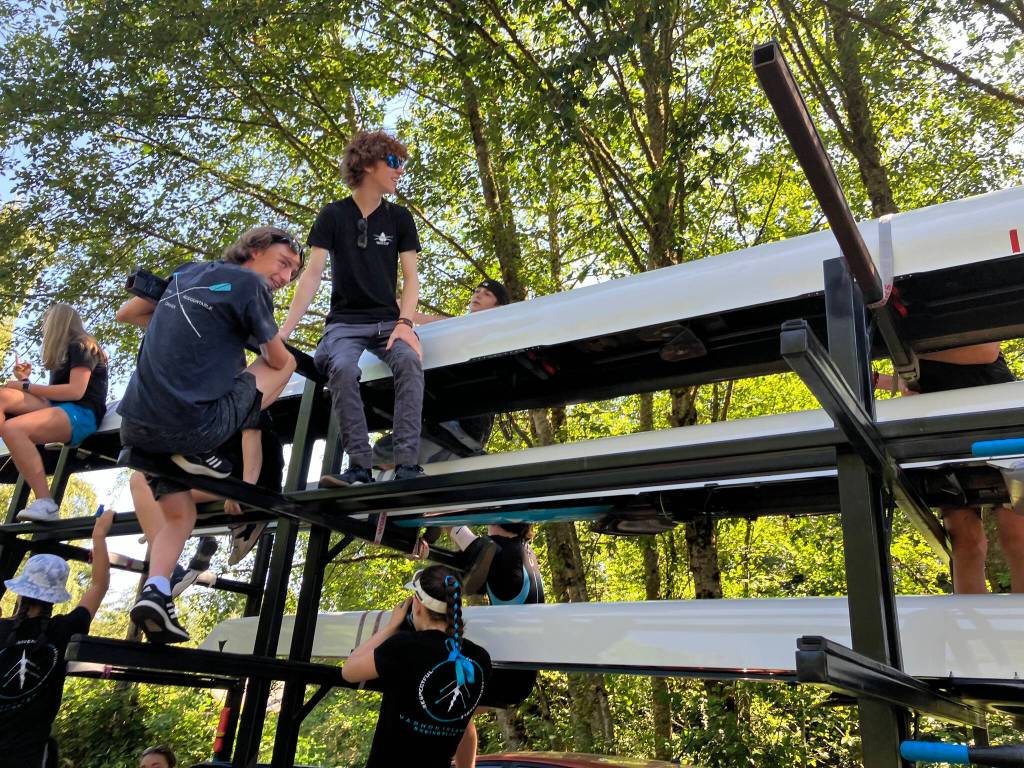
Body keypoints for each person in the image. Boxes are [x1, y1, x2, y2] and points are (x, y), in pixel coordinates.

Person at [115, 226, 300, 643]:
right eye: (283, 263)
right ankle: (211, 444)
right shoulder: (250, 285)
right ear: (253, 250)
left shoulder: (185, 273)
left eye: (293, 272)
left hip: (137, 425)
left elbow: (127, 312)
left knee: (181, 515)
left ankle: (156, 590)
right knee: (285, 365)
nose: (286, 278)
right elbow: (274, 356)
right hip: (192, 426)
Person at [280, 130, 424, 487]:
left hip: (390, 322)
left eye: (402, 163)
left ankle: (407, 463)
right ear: (368, 162)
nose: (399, 170)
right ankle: (359, 466)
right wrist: (283, 332)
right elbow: (311, 275)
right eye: (393, 161)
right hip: (345, 324)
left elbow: (411, 279)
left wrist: (405, 322)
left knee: (409, 361)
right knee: (342, 367)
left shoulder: (400, 219)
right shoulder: (333, 215)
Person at [876, 342, 1024, 593]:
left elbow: (985, 352)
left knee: (1017, 536)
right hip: (943, 429)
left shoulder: (931, 322)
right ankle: (973, 630)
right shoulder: (897, 328)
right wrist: (886, 379)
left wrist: (907, 357)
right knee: (965, 543)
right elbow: (915, 383)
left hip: (997, 414)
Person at [342, 565, 491, 768]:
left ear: (417, 605)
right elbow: (465, 726)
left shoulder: (405, 646)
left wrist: (391, 626)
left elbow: (349, 670)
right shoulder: (479, 660)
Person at [0, 508, 114, 768]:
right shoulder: (64, 630)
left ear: (20, 592)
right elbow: (99, 585)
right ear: (56, 595)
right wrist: (99, 534)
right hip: (28, 756)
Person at [373, 278, 511, 470]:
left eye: (487, 294)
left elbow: (458, 325)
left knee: (391, 450)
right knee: (384, 449)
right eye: (477, 291)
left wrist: (411, 315)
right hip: (445, 420)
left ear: (498, 307)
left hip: (467, 422)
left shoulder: (495, 329)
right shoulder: (457, 333)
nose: (478, 294)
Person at [0, 304, 109, 523]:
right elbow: (50, 400)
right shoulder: (64, 354)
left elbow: (75, 392)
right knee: (2, 395)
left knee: (13, 428)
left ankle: (46, 503)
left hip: (82, 413)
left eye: (45, 323)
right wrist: (24, 381)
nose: (43, 329)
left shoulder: (83, 345)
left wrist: (25, 388)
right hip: (60, 409)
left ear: (57, 323)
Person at [448, 523, 544, 768]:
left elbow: (453, 526)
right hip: (523, 671)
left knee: (445, 707)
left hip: (509, 674)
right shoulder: (524, 551)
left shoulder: (498, 551)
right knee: (456, 712)